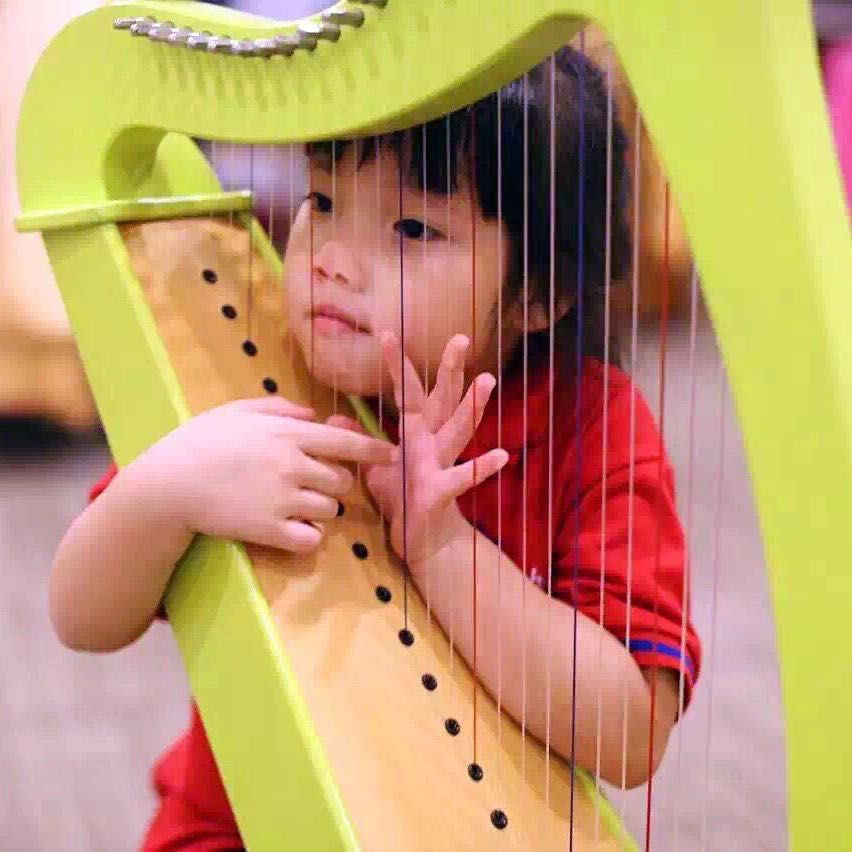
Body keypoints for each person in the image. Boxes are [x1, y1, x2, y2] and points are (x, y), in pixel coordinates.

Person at [49, 47, 701, 850]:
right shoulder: (260, 386)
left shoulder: (594, 427)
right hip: (232, 831)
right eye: (322, 201)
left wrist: (444, 549)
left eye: (412, 228)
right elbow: (80, 616)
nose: (330, 261)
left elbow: (631, 736)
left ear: (540, 296)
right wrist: (166, 492)